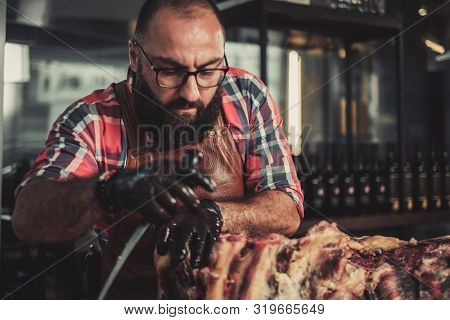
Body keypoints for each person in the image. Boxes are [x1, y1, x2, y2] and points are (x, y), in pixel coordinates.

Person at [12, 0, 304, 299]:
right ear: (135, 57)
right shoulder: (92, 120)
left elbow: (287, 207)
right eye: (170, 71)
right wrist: (107, 192)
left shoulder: (245, 95)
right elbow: (28, 217)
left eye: (207, 71)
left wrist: (216, 215)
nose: (191, 94)